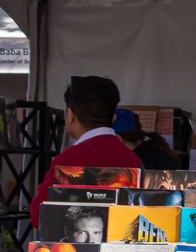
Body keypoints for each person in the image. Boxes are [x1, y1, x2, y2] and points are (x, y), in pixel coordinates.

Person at [30, 76, 143, 227]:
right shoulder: (133, 160)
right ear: (114, 117)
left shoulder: (68, 160)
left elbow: (38, 216)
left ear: (70, 115)